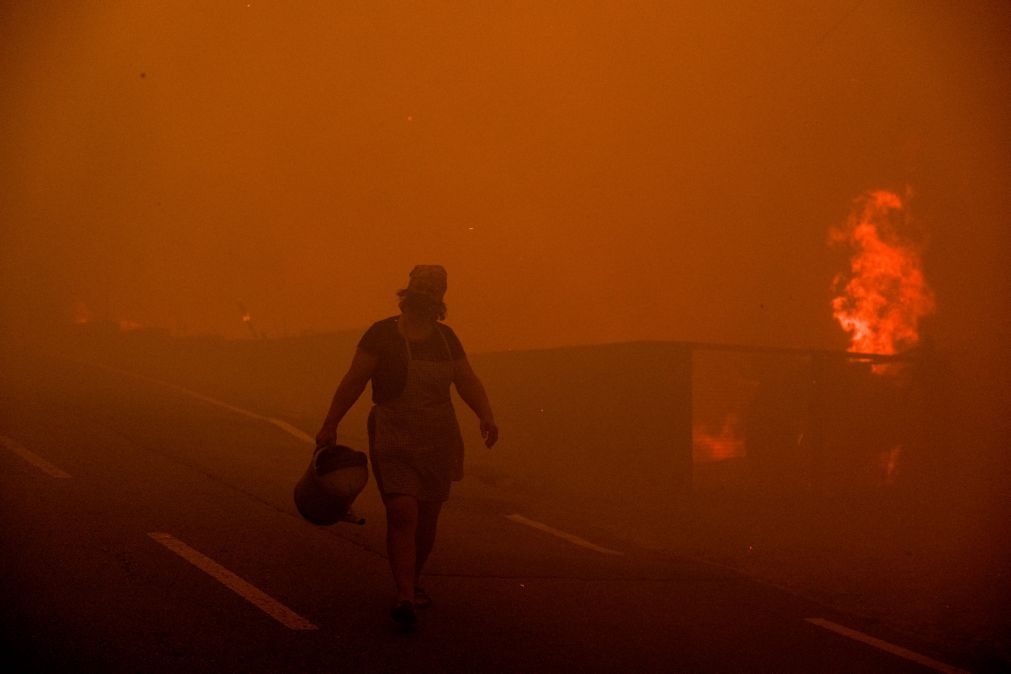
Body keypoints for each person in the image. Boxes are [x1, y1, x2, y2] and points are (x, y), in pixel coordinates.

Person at [315, 265, 498, 627]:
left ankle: (413, 581)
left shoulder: (446, 339)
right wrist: (330, 422)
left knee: (427, 518)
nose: (422, 303)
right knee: (403, 513)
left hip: (438, 438)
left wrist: (486, 415)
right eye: (418, 295)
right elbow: (354, 380)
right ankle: (404, 596)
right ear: (407, 297)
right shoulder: (381, 335)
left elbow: (466, 380)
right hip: (392, 433)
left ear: (438, 303)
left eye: (430, 297)